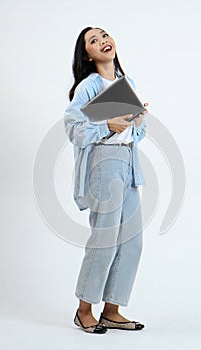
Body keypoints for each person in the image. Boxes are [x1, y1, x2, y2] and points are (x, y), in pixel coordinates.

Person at [64, 26, 148, 334]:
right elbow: (74, 128)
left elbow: (136, 136)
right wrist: (107, 126)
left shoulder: (128, 83)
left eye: (105, 35)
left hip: (129, 164)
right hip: (104, 164)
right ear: (87, 53)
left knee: (132, 241)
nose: (103, 41)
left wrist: (137, 122)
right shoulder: (88, 86)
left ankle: (111, 309)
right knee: (105, 239)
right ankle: (84, 309)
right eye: (93, 40)